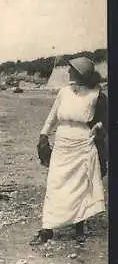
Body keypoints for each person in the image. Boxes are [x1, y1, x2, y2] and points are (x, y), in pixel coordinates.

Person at [31, 56, 107, 245]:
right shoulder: (64, 92)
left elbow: (105, 120)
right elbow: (52, 116)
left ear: (81, 72)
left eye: (71, 69)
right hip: (62, 143)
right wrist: (43, 135)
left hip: (83, 143)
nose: (68, 71)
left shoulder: (96, 94)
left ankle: (78, 228)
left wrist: (99, 126)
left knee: (79, 186)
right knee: (55, 184)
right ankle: (46, 228)